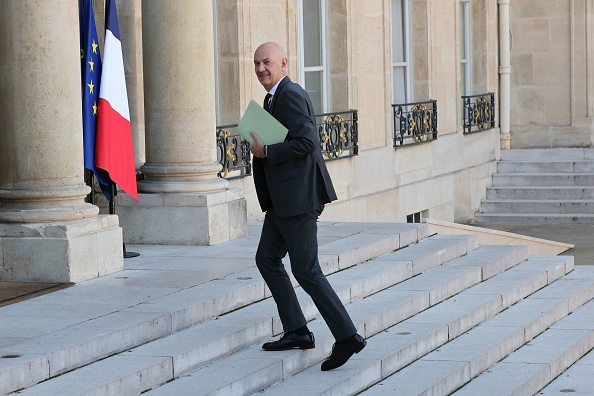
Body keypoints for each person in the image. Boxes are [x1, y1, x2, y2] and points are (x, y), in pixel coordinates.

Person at [249, 41, 366, 371]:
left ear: (283, 63)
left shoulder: (291, 94)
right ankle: (297, 330)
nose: (261, 68)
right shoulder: (272, 98)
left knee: (306, 270)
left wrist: (267, 152)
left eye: (267, 62)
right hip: (282, 202)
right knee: (267, 258)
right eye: (256, 63)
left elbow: (307, 142)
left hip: (298, 201)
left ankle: (347, 338)